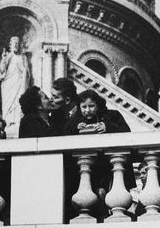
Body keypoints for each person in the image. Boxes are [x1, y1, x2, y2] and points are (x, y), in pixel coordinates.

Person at [65, 89, 135, 221]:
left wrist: (107, 127)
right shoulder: (76, 119)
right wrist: (75, 129)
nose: (87, 110)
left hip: (110, 165)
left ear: (98, 105)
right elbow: (65, 136)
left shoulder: (112, 115)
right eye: (84, 107)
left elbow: (126, 132)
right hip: (90, 167)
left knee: (112, 195)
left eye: (91, 106)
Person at [0, 36, 30, 135]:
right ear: (10, 45)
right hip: (8, 83)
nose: (15, 45)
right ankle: (7, 121)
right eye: (13, 43)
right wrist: (3, 60)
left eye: (17, 43)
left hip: (19, 84)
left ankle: (18, 122)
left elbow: (27, 72)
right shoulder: (6, 56)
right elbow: (1, 72)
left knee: (18, 103)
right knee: (8, 104)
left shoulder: (23, 57)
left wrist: (24, 73)